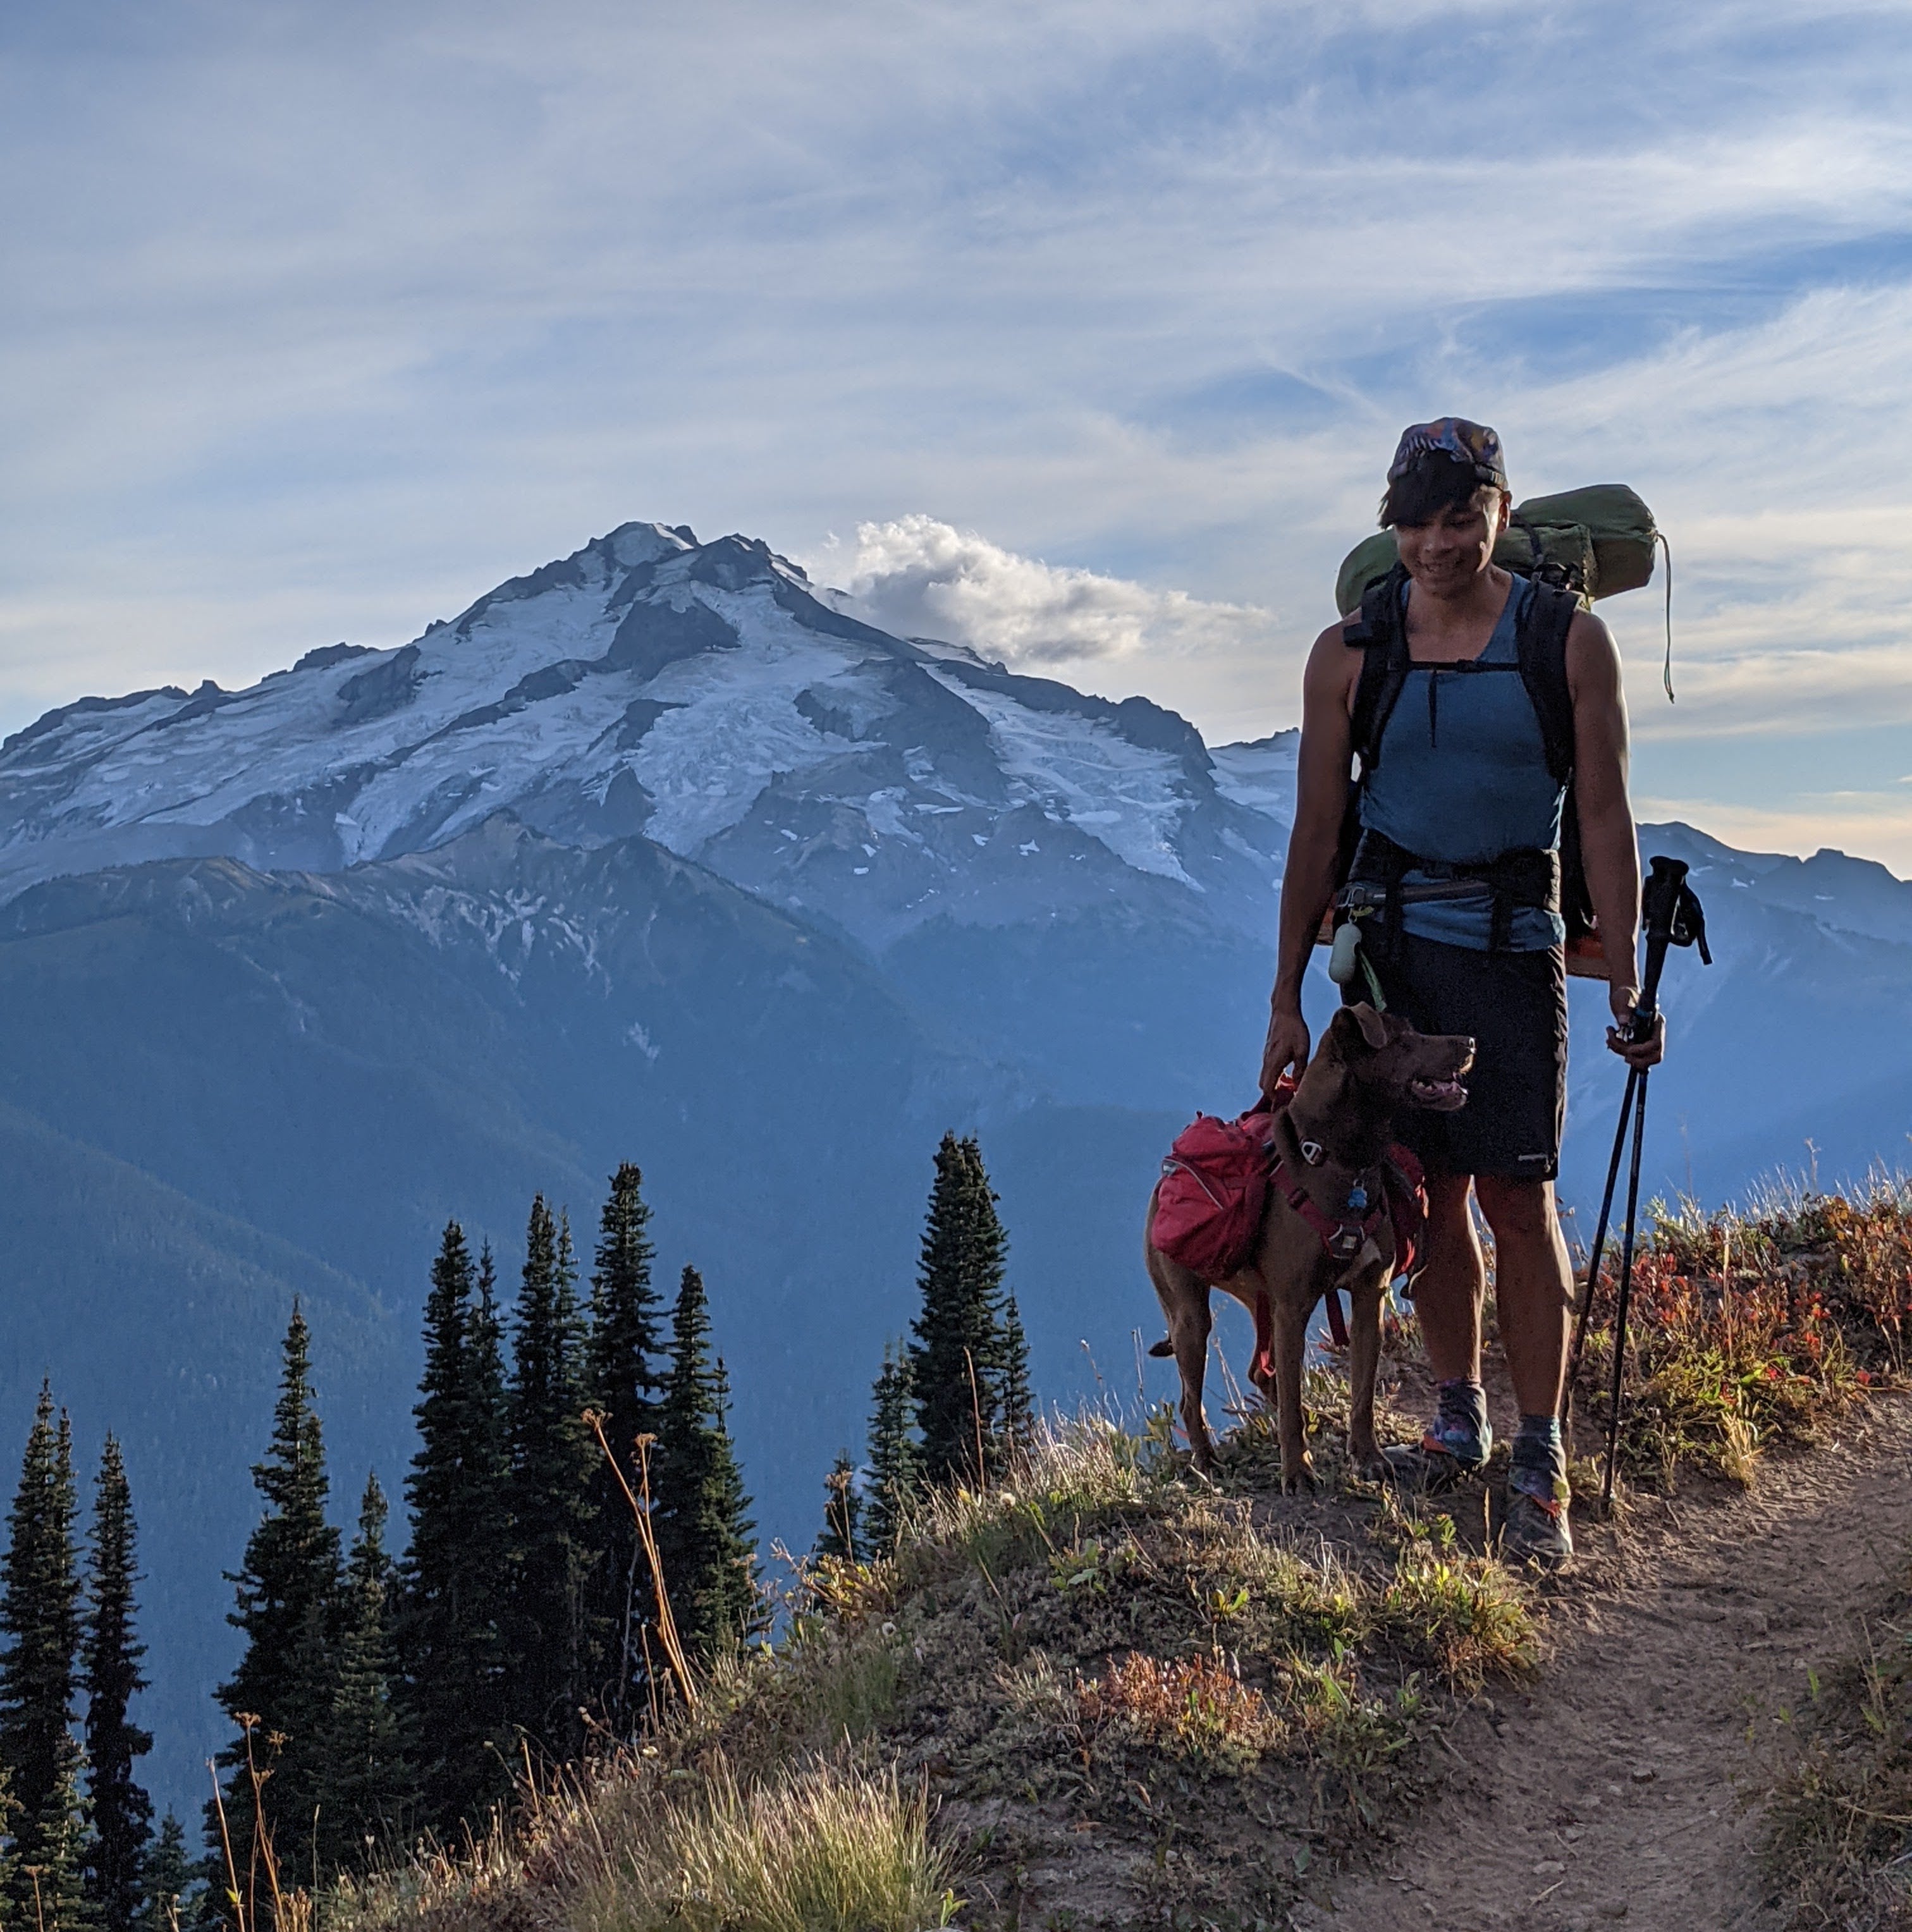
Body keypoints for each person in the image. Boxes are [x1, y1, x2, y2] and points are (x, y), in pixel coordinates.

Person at [1258, 417, 1664, 1569]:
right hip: (1391, 959)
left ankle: (1540, 1453)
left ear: (1498, 511)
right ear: (1389, 524)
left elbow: (1603, 814)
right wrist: (1286, 997)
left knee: (1517, 1198)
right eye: (1416, 522)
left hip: (1511, 949)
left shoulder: (1567, 643)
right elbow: (1316, 832)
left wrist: (1621, 968)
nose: (1437, 544)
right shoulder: (1349, 651)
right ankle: (1458, 1413)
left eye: (1458, 518)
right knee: (1425, 1197)